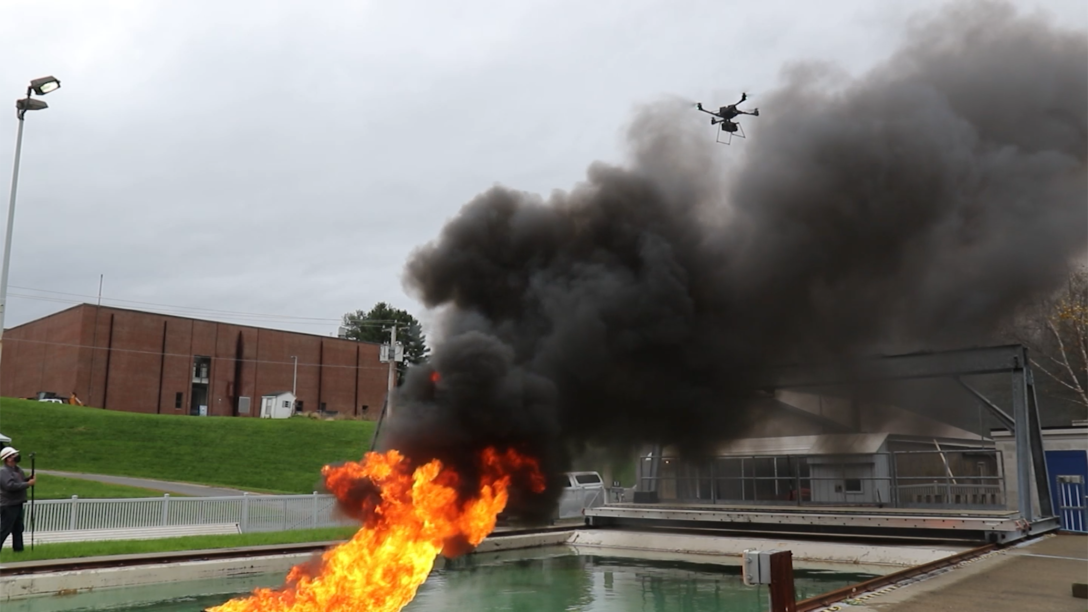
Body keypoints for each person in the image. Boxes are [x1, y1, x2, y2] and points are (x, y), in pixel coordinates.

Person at [0, 446, 35, 554]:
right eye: (13, 455)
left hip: (18, 502)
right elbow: (10, 486)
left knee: (18, 528)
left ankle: (18, 549)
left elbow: (18, 482)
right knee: (5, 529)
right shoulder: (3, 471)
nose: (16, 456)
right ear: (8, 458)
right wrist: (27, 484)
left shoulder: (18, 470)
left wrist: (27, 479)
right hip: (8, 504)